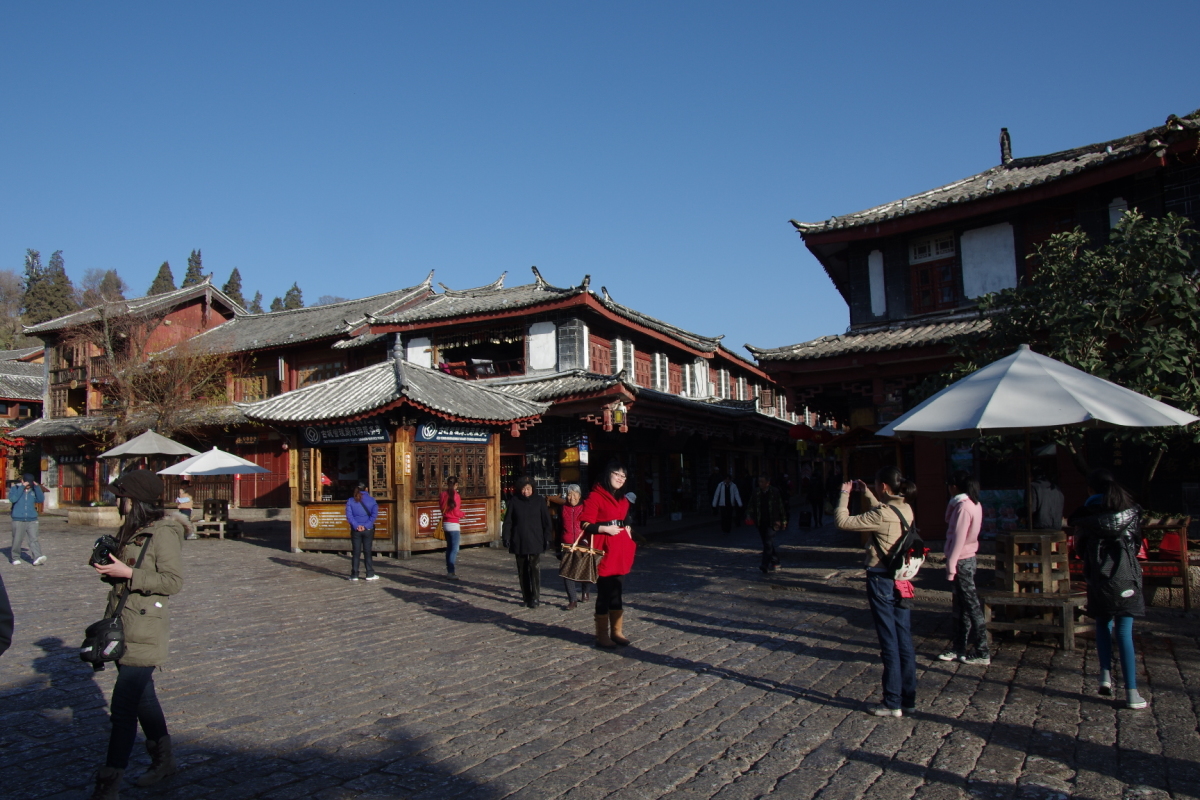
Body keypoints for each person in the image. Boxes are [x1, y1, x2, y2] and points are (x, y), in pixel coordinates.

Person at [89, 470, 187, 799]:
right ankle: (164, 761)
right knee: (143, 700)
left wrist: (129, 572)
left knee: (122, 710)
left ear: (135, 500)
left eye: (122, 497)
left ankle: (109, 783)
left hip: (145, 629)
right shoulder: (132, 530)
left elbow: (173, 582)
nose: (118, 502)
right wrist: (110, 569)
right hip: (122, 625)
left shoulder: (163, 532)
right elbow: (126, 577)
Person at [836, 466, 918, 718]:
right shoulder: (906, 508)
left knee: (888, 640)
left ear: (883, 486)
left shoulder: (882, 514)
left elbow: (843, 521)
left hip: (881, 579)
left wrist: (845, 494)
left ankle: (892, 701)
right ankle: (908, 698)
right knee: (904, 638)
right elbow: (883, 512)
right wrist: (868, 493)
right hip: (901, 580)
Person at [1069, 469, 1148, 710]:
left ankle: (1105, 675)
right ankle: (1132, 692)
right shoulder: (1131, 512)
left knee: (1103, 624)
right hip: (1126, 577)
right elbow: (1136, 545)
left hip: (1099, 578)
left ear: (1090, 490)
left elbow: (1080, 549)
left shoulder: (1085, 515)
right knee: (1124, 632)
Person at [579, 460, 637, 648]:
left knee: (617, 592)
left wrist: (627, 527)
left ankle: (617, 632)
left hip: (621, 550)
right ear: (608, 474)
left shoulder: (622, 499)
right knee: (604, 593)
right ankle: (602, 635)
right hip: (604, 551)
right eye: (617, 474)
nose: (620, 478)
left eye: (623, 476)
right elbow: (585, 523)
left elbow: (626, 517)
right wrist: (604, 528)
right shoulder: (595, 496)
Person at [938, 470, 989, 665]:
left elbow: (959, 538)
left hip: (962, 560)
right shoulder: (971, 504)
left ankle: (982, 650)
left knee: (972, 606)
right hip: (967, 558)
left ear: (954, 487)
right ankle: (959, 646)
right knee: (962, 607)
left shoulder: (963, 507)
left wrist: (951, 565)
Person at [501, 476, 553, 608]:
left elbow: (546, 521)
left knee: (534, 568)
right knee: (522, 569)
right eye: (524, 489)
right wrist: (506, 537)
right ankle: (526, 596)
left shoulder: (539, 501)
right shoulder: (515, 501)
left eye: (528, 489)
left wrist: (548, 538)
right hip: (519, 539)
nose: (526, 492)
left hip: (535, 538)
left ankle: (535, 597)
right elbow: (508, 521)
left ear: (532, 489)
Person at [557, 484, 590, 610]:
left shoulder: (585, 507)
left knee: (584, 570)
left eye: (574, 494)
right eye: (569, 494)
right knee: (567, 572)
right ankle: (572, 599)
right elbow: (559, 527)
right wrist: (557, 546)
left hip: (582, 543)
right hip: (567, 544)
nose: (572, 497)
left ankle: (585, 591)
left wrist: (587, 540)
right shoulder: (562, 508)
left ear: (579, 496)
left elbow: (590, 525)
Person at [746, 475, 788, 574]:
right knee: (766, 543)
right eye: (759, 482)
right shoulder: (756, 492)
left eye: (762, 482)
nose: (760, 484)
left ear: (768, 483)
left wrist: (784, 521)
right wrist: (748, 514)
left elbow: (781, 506)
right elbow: (751, 504)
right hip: (761, 521)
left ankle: (764, 564)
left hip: (773, 521)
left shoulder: (774, 492)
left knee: (768, 542)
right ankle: (775, 560)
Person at [9, 473, 46, 566]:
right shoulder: (15, 488)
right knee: (17, 539)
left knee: (33, 539)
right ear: (22, 481)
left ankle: (37, 557)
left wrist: (37, 487)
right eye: (27, 484)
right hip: (18, 519)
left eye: (30, 484)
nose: (28, 486)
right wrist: (22, 487)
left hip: (32, 519)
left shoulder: (33, 489)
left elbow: (40, 499)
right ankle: (15, 557)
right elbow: (13, 499)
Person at [345, 482, 379, 581]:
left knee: (356, 552)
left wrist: (357, 526)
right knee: (367, 551)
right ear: (366, 489)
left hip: (356, 530)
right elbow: (374, 515)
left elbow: (349, 516)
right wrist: (366, 526)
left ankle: (354, 574)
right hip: (368, 529)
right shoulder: (372, 500)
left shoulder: (350, 501)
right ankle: (369, 573)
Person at [438, 476, 464, 579]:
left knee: (449, 548)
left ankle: (449, 569)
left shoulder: (442, 495)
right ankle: (451, 571)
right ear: (456, 485)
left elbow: (441, 508)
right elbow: (456, 512)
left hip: (445, 523)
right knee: (454, 549)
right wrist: (462, 514)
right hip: (454, 524)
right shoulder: (456, 496)